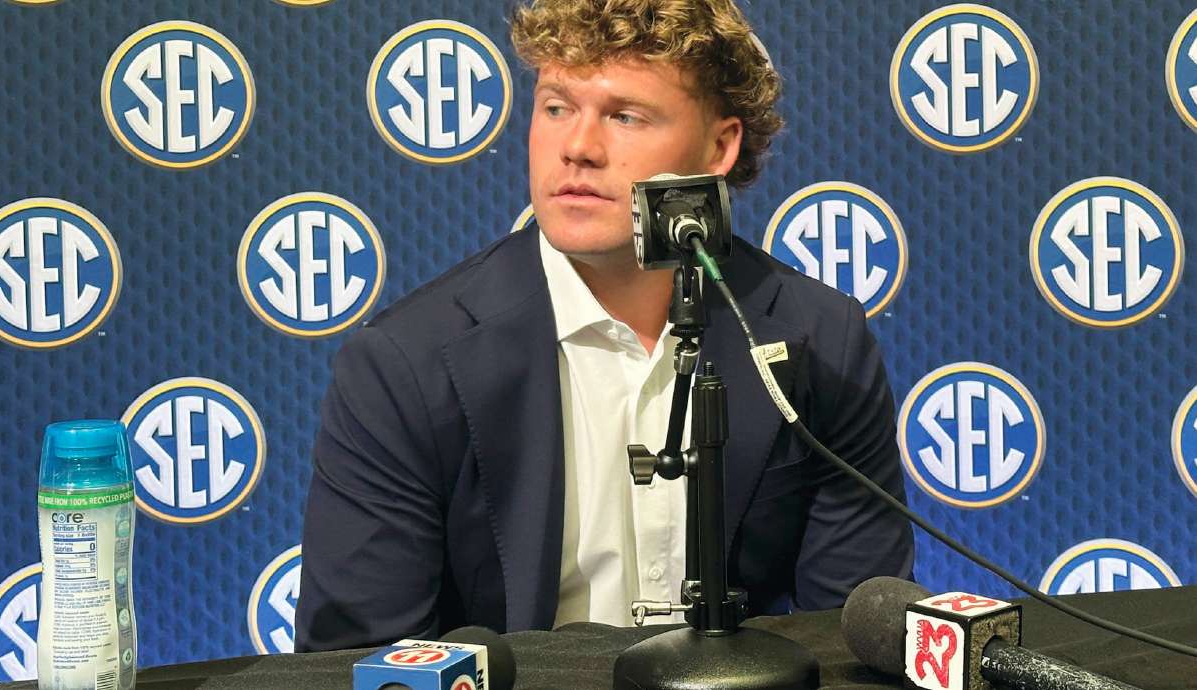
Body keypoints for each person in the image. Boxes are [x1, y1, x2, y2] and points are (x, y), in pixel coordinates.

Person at [295, 0, 913, 652]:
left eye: (625, 116)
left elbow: (850, 642)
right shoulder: (405, 367)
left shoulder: (819, 342)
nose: (578, 148)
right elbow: (356, 664)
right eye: (557, 106)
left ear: (720, 145)